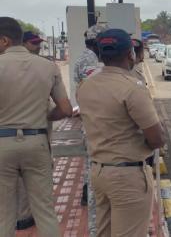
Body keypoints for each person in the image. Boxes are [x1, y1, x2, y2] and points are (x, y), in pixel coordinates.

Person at [77, 29, 165, 236]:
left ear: (99, 55)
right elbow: (157, 139)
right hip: (127, 176)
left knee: (104, 232)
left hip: (99, 171)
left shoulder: (85, 86)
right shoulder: (132, 88)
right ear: (130, 54)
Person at [0, 17, 72, 236]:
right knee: (45, 210)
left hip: (2, 144)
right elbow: (66, 109)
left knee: (4, 213)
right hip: (37, 141)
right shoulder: (47, 66)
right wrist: (45, 116)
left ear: (4, 40)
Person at [73, 24, 107, 236]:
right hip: (96, 121)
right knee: (94, 164)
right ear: (97, 42)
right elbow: (95, 91)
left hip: (94, 120)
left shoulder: (89, 58)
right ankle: (95, 220)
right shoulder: (89, 60)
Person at [16, 32, 47, 231]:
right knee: (33, 182)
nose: (37, 47)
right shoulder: (43, 68)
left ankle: (22, 215)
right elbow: (61, 108)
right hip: (33, 134)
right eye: (34, 44)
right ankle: (25, 216)